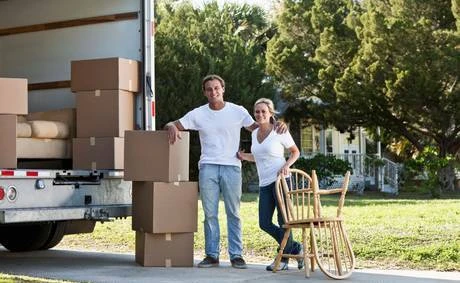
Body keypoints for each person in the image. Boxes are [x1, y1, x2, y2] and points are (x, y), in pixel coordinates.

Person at [165, 75, 286, 269]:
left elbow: (260, 126)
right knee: (210, 213)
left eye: (216, 88)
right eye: (209, 89)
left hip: (232, 167)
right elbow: (175, 124)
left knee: (234, 212)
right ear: (205, 92)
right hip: (208, 167)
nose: (213, 92)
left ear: (223, 89)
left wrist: (278, 123)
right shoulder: (198, 113)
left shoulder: (237, 111)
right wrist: (170, 125)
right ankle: (211, 255)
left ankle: (236, 255)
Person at [237, 98, 303, 271]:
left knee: (284, 222)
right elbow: (259, 156)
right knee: (264, 222)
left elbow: (295, 152)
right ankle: (295, 248)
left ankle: (283, 260)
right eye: (257, 111)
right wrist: (244, 157)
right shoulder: (254, 133)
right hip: (264, 183)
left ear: (271, 113)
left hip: (281, 182)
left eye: (263, 111)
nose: (260, 114)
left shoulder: (279, 131)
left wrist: (286, 166)